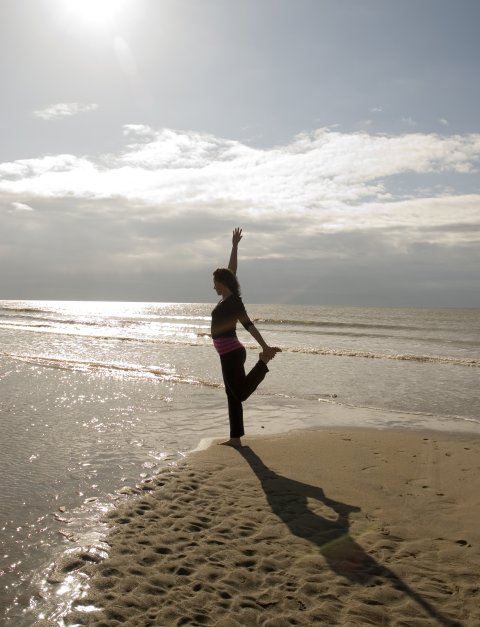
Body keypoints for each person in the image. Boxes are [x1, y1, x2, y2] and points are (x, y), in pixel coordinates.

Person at [211, 228, 281, 447]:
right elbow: (231, 270)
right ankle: (235, 439)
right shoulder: (225, 299)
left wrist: (265, 347)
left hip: (233, 352)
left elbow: (249, 325)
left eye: (215, 282)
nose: (213, 286)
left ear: (222, 283)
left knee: (239, 394)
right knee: (232, 395)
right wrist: (234, 247)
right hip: (226, 354)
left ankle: (263, 362)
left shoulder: (234, 303)